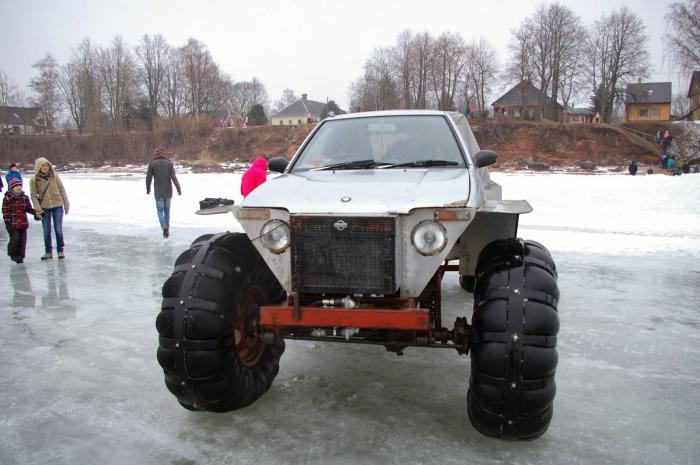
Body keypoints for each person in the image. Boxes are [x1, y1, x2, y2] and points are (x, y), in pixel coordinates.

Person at [30, 157, 70, 261]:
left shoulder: (55, 176)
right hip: (44, 207)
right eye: (43, 165)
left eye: (47, 165)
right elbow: (33, 196)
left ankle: (60, 250)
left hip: (57, 205)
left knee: (58, 229)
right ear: (38, 167)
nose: (45, 167)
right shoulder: (34, 180)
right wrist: (38, 209)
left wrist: (66, 204)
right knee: (46, 230)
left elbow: (62, 190)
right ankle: (48, 252)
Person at [146, 146, 181, 239]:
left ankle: (163, 227)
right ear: (163, 153)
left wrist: (148, 188)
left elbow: (148, 178)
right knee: (167, 210)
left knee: (160, 210)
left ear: (155, 154)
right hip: (168, 191)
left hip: (158, 191)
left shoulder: (152, 164)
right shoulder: (169, 163)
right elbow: (174, 177)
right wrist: (178, 188)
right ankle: (167, 228)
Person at [3, 178, 37, 264]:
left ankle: (20, 257)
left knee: (22, 241)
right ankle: (12, 254)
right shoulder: (8, 198)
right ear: (12, 187)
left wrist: (36, 214)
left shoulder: (25, 198)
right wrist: (8, 222)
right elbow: (5, 210)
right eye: (16, 186)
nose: (19, 187)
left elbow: (28, 209)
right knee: (15, 239)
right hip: (12, 223)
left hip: (23, 223)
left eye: (20, 185)